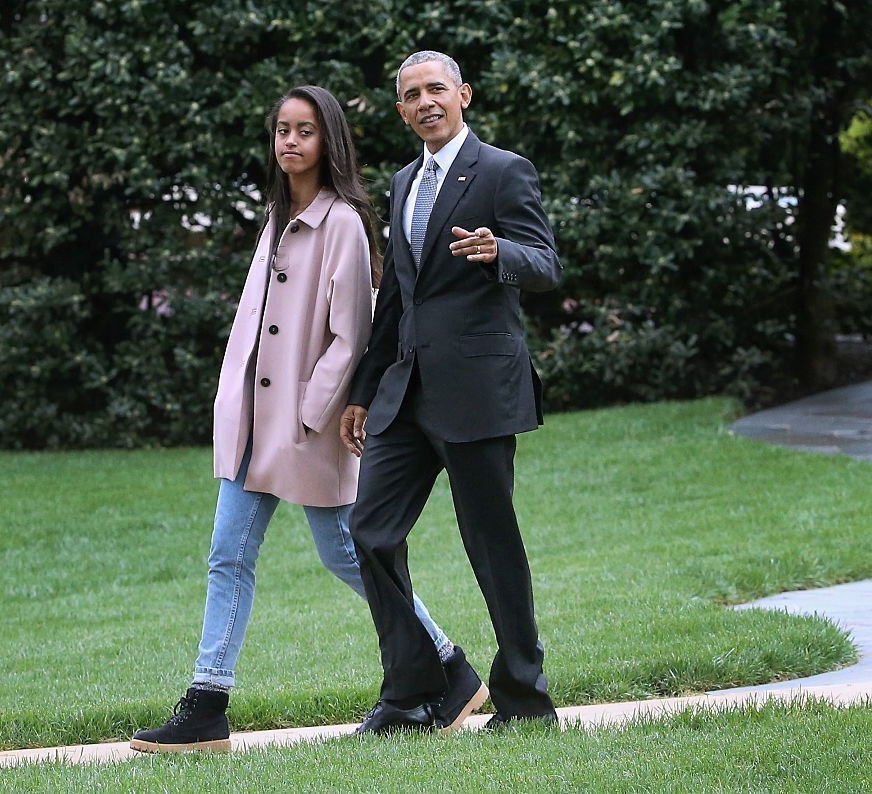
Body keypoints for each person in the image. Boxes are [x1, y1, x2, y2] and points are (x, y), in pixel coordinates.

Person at [130, 85, 482, 754]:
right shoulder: (275, 216)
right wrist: (237, 404)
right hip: (250, 426)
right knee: (227, 555)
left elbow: (350, 335)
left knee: (348, 553)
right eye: (282, 130)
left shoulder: (342, 222)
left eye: (305, 131)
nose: (290, 141)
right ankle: (207, 702)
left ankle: (448, 664)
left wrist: (306, 416)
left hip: (304, 428)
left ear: (329, 143)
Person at [340, 51, 561, 734]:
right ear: (402, 110)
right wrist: (363, 390)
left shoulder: (502, 170)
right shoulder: (404, 183)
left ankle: (524, 699)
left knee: (491, 545)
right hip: (405, 396)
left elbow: (547, 264)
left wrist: (503, 253)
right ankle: (413, 694)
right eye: (412, 95)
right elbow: (397, 297)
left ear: (463, 94)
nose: (426, 101)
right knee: (368, 533)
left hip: (478, 392)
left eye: (437, 88)